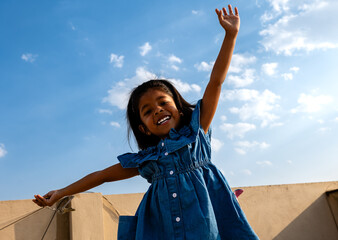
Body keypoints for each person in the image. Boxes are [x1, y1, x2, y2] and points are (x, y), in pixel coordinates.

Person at [34, 4, 259, 240]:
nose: (158, 111)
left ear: (179, 109)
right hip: (161, 229)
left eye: (163, 102)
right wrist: (60, 192)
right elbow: (101, 175)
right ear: (143, 127)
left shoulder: (196, 131)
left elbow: (216, 82)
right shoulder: (146, 160)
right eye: (148, 110)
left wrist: (230, 36)